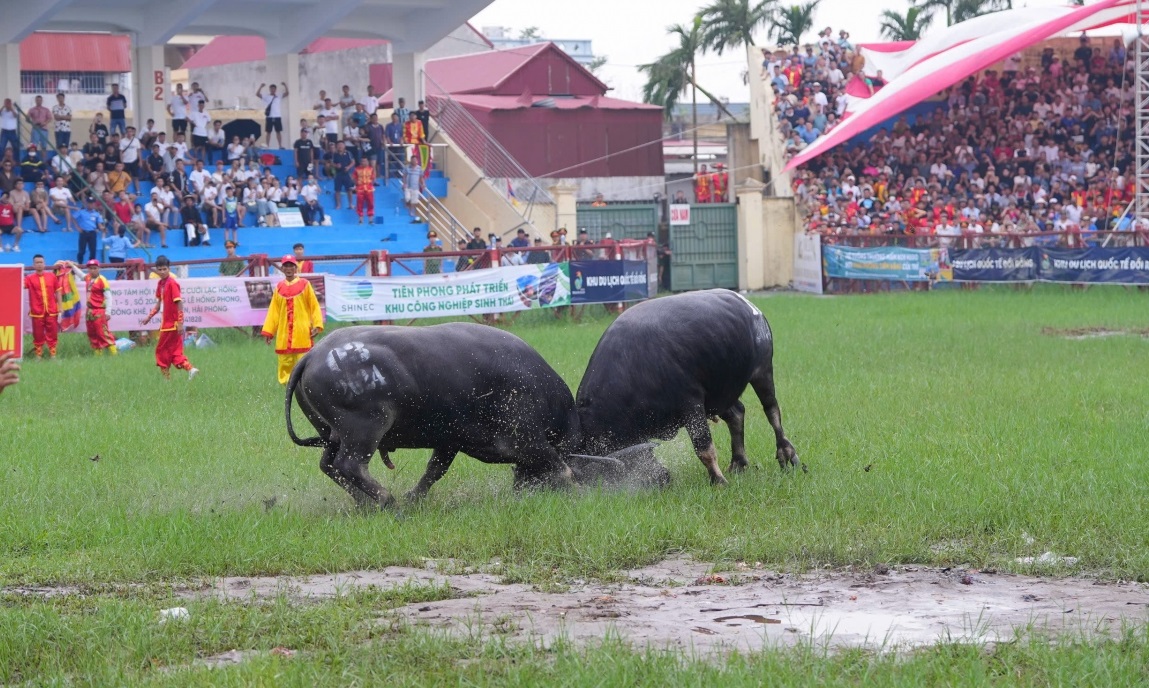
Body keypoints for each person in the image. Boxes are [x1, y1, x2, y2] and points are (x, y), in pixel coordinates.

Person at [260, 255, 322, 384]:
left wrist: (317, 324)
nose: (289, 269)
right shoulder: (279, 287)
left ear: (296, 268)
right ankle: (288, 389)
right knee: (285, 365)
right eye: (286, 266)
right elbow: (274, 311)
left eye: (291, 266)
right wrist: (269, 332)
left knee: (304, 363)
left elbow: (314, 305)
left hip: (301, 332)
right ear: (282, 268)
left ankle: (304, 387)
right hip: (284, 334)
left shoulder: (305, 285)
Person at [140, 255, 198, 380]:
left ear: (169, 269)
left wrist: (180, 322)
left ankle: (167, 380)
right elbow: (158, 304)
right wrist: (149, 317)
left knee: (161, 351)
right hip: (167, 324)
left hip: (171, 325)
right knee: (174, 352)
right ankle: (190, 369)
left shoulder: (172, 283)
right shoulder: (161, 284)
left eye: (164, 269)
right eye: (159, 269)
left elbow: (179, 303)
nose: (162, 272)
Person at [24, 254, 61, 359]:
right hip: (37, 311)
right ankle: (38, 355)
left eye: (41, 262)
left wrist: (61, 308)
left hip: (52, 310)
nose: (39, 264)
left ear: (44, 264)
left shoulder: (52, 277)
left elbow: (58, 291)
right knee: (38, 334)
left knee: (52, 333)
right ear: (33, 265)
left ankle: (53, 354)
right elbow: (20, 285)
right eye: (37, 262)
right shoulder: (29, 278)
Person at [73, 196, 105, 264]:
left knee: (93, 250)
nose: (91, 205)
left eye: (92, 203)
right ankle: (80, 263)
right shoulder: (81, 212)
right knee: (82, 250)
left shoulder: (97, 214)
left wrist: (102, 228)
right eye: (89, 203)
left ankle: (91, 264)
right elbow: (73, 217)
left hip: (92, 233)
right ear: (87, 203)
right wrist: (77, 227)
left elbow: (99, 224)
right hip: (84, 232)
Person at [257, 82, 289, 148]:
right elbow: (257, 94)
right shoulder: (267, 97)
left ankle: (280, 145)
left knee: (278, 131)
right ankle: (267, 145)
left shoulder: (278, 96)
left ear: (275, 89)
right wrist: (261, 86)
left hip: (277, 116)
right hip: (269, 117)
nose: (272, 90)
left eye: (274, 89)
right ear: (270, 89)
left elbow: (287, 93)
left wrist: (285, 85)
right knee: (268, 132)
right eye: (271, 89)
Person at [330, 141, 354, 210]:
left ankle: (350, 204)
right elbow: (332, 163)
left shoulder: (348, 153)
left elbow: (353, 162)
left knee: (349, 190)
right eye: (339, 145)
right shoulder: (335, 154)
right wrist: (336, 165)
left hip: (346, 174)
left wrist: (349, 167)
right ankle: (338, 205)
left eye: (341, 145)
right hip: (338, 174)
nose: (340, 146)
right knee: (337, 190)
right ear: (337, 146)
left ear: (344, 146)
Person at [354, 155, 376, 224]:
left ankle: (370, 220)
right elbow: (354, 178)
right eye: (362, 161)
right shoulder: (357, 169)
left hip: (369, 189)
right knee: (359, 204)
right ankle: (360, 220)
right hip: (360, 189)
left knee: (370, 204)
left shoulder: (371, 169)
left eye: (365, 161)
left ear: (367, 162)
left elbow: (373, 178)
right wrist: (357, 184)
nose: (364, 162)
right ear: (360, 162)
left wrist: (370, 184)